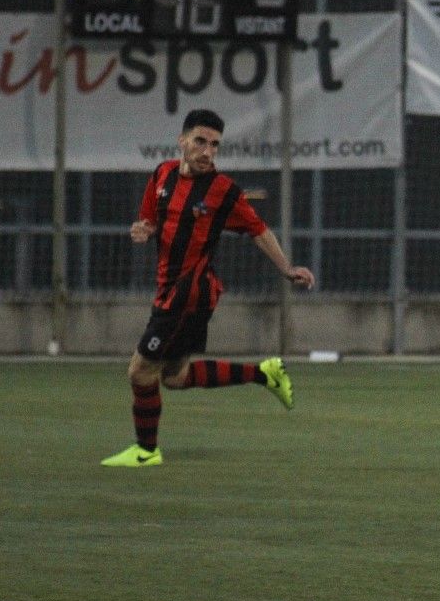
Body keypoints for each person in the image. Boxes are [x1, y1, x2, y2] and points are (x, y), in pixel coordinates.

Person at [101, 109, 316, 467]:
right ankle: (265, 373)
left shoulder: (223, 191)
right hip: (170, 290)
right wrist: (143, 228)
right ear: (182, 142)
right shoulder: (162, 174)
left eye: (215, 145)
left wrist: (287, 268)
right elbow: (150, 219)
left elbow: (259, 230)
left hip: (190, 294)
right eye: (200, 141)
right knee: (174, 376)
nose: (207, 151)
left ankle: (146, 451)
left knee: (140, 371)